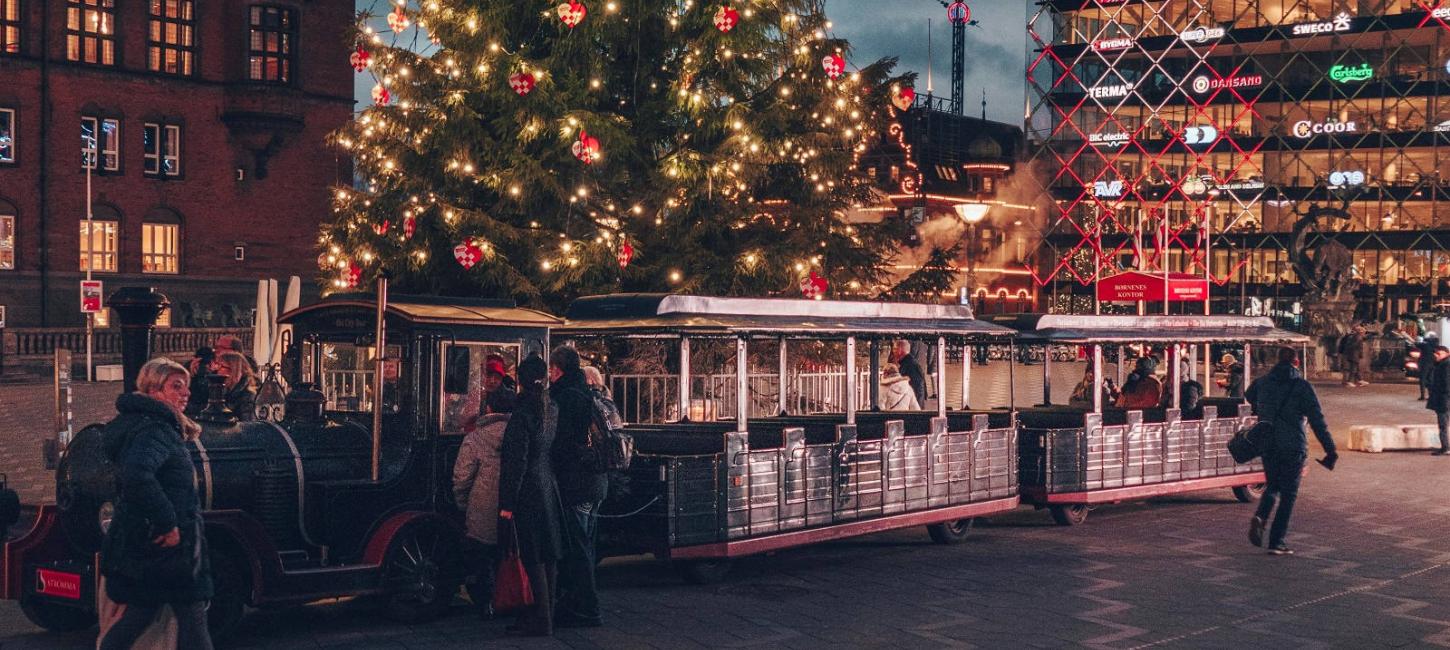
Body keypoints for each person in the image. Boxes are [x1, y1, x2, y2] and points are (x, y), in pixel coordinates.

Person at [98, 358, 214, 650]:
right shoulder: (157, 429)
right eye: (176, 386)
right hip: (167, 547)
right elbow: (137, 474)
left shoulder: (145, 424)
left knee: (142, 615)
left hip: (151, 546)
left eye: (186, 386)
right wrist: (168, 523)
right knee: (191, 619)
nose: (185, 393)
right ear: (153, 390)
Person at [1245, 347, 1338, 555]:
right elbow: (1317, 421)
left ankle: (1261, 516)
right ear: (1297, 363)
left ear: (1278, 361)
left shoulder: (1263, 382)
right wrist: (1330, 450)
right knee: (1288, 495)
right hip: (1293, 445)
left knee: (1272, 486)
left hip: (1268, 443)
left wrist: (1264, 408)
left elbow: (1248, 394)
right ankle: (1277, 541)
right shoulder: (1302, 386)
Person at [497, 354, 563, 636]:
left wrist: (506, 504)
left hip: (528, 490)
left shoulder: (523, 415)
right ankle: (547, 616)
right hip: (548, 484)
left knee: (532, 554)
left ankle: (541, 620)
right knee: (548, 554)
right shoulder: (552, 408)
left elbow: (516, 462)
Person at [548, 346, 607, 628]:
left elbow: (559, 444)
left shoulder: (564, 397)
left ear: (557, 369)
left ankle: (586, 607)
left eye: (551, 369)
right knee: (586, 545)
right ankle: (581, 601)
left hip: (576, 482)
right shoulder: (587, 393)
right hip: (596, 481)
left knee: (577, 547)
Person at [453, 388, 515, 620]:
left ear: (488, 408)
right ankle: (511, 597)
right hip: (515, 506)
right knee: (506, 553)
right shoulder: (519, 433)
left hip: (482, 505)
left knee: (482, 557)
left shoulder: (476, 437)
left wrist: (462, 503)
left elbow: (463, 476)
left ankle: (486, 602)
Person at [214, 350, 257, 420]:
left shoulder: (247, 396)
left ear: (234, 369)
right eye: (217, 365)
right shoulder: (222, 390)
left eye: (221, 366)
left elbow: (247, 424)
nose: (217, 370)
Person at [1426, 345, 1450, 456]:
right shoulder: (1441, 364)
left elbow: (1446, 384)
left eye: (1439, 354)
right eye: (1435, 354)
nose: (1436, 356)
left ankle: (1445, 447)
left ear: (1446, 353)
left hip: (1444, 399)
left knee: (1443, 425)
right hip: (1443, 398)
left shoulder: (1445, 365)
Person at [890, 340, 927, 406]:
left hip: (912, 408)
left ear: (900, 350)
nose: (893, 351)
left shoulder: (909, 365)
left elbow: (917, 389)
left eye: (895, 349)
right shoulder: (909, 363)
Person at [183, 347, 215, 415]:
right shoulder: (186, 371)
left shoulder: (216, 373)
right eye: (202, 362)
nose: (205, 366)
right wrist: (190, 374)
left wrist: (213, 374)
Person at [1418, 334, 1439, 401]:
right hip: (1432, 364)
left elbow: (1416, 343)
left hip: (1424, 364)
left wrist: (1406, 336)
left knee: (1422, 380)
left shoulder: (1424, 345)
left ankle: (1422, 396)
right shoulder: (1434, 346)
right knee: (1430, 380)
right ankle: (1431, 395)